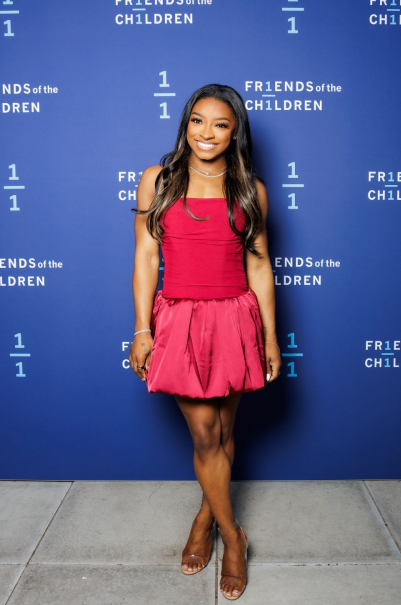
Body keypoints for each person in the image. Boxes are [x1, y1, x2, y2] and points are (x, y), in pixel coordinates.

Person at [129, 83, 281, 600]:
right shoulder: (159, 179)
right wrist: (142, 328)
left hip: (236, 317)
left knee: (224, 428)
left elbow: (259, 265)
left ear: (235, 129)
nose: (206, 133)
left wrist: (269, 337)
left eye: (219, 123)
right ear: (185, 123)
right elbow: (146, 258)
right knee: (204, 435)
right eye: (197, 121)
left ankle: (204, 519)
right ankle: (234, 537)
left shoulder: (250, 188)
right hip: (179, 319)